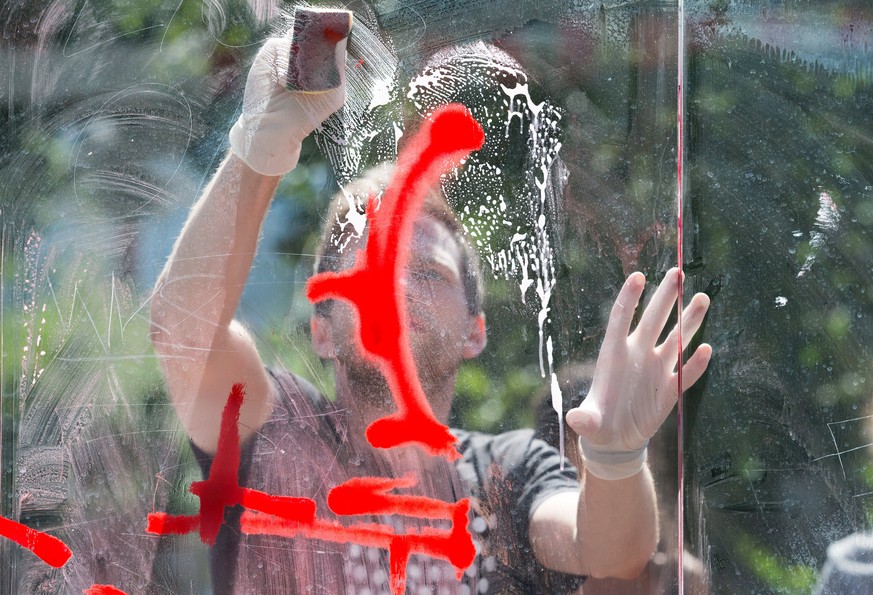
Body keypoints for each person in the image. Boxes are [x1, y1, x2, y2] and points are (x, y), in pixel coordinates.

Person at [149, 19, 713, 594]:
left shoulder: (508, 476)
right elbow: (183, 330)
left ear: (475, 331)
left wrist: (616, 458)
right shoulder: (280, 435)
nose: (396, 286)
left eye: (427, 273)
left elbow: (609, 550)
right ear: (322, 329)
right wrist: (260, 143)